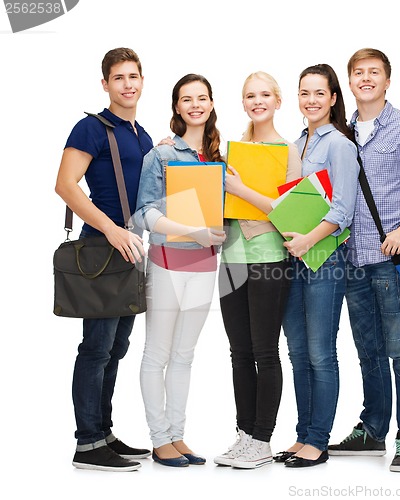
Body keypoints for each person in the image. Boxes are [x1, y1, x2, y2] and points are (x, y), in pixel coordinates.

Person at [327, 48, 400, 473]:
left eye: (374, 72)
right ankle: (373, 429)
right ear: (350, 82)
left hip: (390, 259)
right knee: (367, 350)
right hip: (351, 259)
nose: (366, 78)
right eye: (358, 72)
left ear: (387, 80)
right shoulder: (340, 132)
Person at [54, 47, 153, 472]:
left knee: (116, 347)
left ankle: (104, 432)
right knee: (95, 349)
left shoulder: (143, 135)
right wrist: (112, 229)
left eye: (134, 76)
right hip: (101, 248)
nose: (127, 84)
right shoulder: (90, 128)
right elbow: (65, 185)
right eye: (119, 78)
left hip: (131, 253)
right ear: (105, 84)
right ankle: (87, 443)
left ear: (142, 81)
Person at [133, 74, 226, 468]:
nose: (195, 105)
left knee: (185, 355)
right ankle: (159, 439)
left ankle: (177, 435)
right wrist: (194, 231)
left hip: (205, 266)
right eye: (186, 99)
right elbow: (145, 213)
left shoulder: (222, 158)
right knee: (158, 353)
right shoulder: (162, 155)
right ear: (176, 107)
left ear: (211, 103)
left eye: (201, 98)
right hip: (168, 262)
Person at [213, 72, 301, 469]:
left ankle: (263, 439)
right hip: (231, 258)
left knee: (265, 351)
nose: (257, 101)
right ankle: (244, 434)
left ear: (278, 101)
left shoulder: (289, 151)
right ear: (243, 102)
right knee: (238, 352)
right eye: (250, 95)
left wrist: (242, 190)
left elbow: (289, 213)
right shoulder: (232, 150)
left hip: (268, 257)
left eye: (265, 94)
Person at [275, 64, 359, 468]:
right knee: (297, 351)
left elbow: (344, 208)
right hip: (293, 259)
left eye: (318, 93)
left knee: (321, 352)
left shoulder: (339, 144)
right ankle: (303, 434)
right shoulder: (296, 143)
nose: (311, 100)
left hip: (324, 258)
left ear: (332, 98)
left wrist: (308, 240)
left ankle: (318, 441)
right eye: (304, 93)